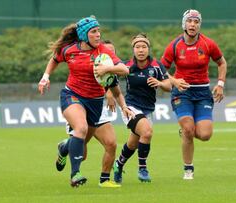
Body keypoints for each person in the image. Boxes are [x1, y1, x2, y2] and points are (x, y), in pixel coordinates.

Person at [38, 16, 131, 187]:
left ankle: (64, 148)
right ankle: (75, 175)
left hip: (95, 102)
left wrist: (108, 68)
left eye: (98, 31)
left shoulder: (103, 51)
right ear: (83, 35)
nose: (98, 35)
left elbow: (124, 69)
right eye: (93, 32)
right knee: (80, 128)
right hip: (71, 95)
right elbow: (55, 59)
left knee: (81, 145)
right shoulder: (69, 50)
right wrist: (45, 77)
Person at [160, 9, 227, 180]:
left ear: (199, 25)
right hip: (182, 93)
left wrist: (220, 84)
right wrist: (174, 81)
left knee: (205, 135)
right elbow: (160, 69)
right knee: (189, 128)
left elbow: (222, 62)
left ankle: (185, 132)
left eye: (196, 22)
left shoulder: (208, 44)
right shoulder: (175, 45)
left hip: (203, 92)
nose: (192, 24)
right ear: (184, 24)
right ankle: (188, 169)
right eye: (190, 21)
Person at [55, 40, 131, 188]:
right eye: (107, 52)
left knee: (111, 143)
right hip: (79, 107)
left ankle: (104, 179)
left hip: (98, 110)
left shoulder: (110, 72)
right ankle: (64, 147)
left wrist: (124, 107)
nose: (110, 55)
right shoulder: (87, 65)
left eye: (112, 53)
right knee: (82, 155)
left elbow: (117, 92)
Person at [112, 33, 171, 184]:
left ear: (148, 49)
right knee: (147, 131)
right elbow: (110, 79)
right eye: (137, 47)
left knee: (133, 143)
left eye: (144, 46)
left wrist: (159, 83)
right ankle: (143, 168)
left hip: (148, 109)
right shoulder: (126, 66)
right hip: (130, 107)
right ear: (133, 49)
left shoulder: (157, 66)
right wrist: (108, 94)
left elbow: (169, 86)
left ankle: (118, 164)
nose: (141, 50)